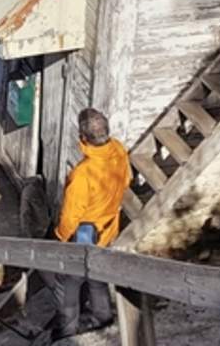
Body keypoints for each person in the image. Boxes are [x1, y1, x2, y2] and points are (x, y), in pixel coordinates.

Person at [50, 107, 129, 340]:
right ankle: (103, 318)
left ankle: (67, 329)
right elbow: (126, 181)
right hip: (108, 226)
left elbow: (71, 216)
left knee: (68, 279)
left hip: (85, 231)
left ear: (83, 137)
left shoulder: (83, 173)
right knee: (97, 275)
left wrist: (61, 236)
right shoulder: (119, 152)